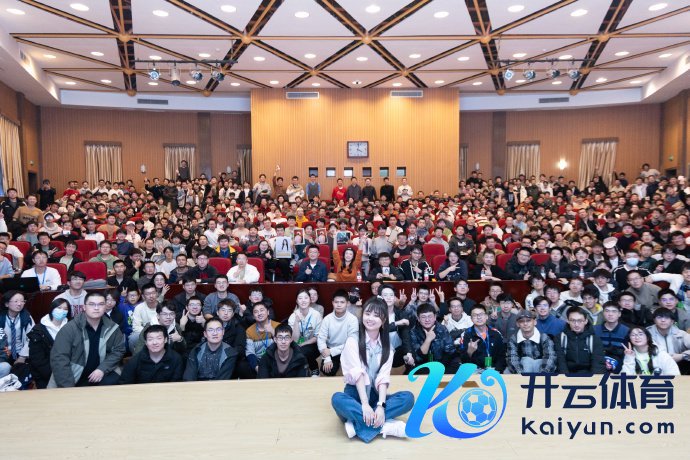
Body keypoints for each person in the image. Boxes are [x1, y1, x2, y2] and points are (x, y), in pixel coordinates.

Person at [331, 297, 415, 442]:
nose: (370, 318)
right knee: (337, 399)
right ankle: (385, 426)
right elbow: (358, 374)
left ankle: (357, 424)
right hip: (355, 396)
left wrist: (381, 406)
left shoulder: (387, 347)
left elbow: (383, 378)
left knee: (408, 398)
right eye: (367, 313)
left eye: (376, 315)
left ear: (384, 320)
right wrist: (364, 404)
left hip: (375, 396)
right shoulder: (353, 341)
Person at [49, 292, 125, 387]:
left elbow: (119, 350)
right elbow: (59, 359)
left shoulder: (112, 327)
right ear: (84, 307)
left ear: (105, 307)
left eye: (101, 304)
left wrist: (102, 369)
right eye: (92, 304)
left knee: (115, 382)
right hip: (74, 376)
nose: (96, 308)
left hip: (101, 373)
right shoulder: (69, 329)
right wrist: (68, 387)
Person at [119, 324, 184, 384]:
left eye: (159, 338)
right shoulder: (135, 360)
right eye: (150, 339)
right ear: (146, 342)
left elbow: (177, 384)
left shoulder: (176, 359)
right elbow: (125, 383)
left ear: (165, 340)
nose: (154, 342)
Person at [28, 298, 71, 388]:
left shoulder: (71, 327)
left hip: (68, 371)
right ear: (52, 309)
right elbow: (37, 358)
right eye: (59, 308)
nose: (62, 311)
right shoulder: (39, 330)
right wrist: (54, 374)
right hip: (46, 373)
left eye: (65, 309)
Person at [318, 290, 359, 377]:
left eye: (342, 302)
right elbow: (321, 339)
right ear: (332, 303)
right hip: (330, 349)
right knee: (327, 370)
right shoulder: (327, 319)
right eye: (336, 302)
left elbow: (353, 341)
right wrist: (327, 357)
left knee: (353, 372)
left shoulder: (353, 319)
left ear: (347, 303)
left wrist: (331, 351)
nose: (339, 305)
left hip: (347, 350)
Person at [554, 306, 606, 374]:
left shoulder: (594, 339)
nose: (576, 324)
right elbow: (560, 362)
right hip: (567, 375)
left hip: (588, 375)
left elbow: (598, 364)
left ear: (586, 321)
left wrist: (593, 379)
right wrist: (566, 378)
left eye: (580, 321)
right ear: (567, 321)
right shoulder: (560, 338)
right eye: (573, 320)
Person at [410, 303, 457, 373]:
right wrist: (428, 340)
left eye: (430, 316)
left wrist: (438, 367)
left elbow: (450, 351)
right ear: (418, 319)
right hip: (423, 365)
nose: (427, 320)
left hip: (442, 363)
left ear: (435, 317)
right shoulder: (413, 332)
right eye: (423, 317)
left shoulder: (442, 329)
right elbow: (418, 357)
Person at [458, 305, 506, 372]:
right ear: (471, 319)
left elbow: (502, 356)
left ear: (486, 316)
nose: (479, 317)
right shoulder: (466, 335)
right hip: (474, 371)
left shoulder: (496, 333)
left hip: (493, 370)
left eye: (481, 314)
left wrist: (497, 371)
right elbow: (463, 361)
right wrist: (469, 352)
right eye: (475, 315)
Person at [288, 289, 323, 377]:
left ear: (310, 300)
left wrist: (303, 343)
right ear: (297, 301)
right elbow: (295, 339)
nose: (303, 300)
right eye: (300, 298)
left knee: (303, 350)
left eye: (306, 298)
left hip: (313, 345)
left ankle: (314, 368)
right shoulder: (292, 317)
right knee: (297, 350)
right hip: (297, 345)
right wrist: (296, 322)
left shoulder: (316, 315)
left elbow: (317, 337)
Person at [0, 291, 35, 376]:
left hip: (21, 352)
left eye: (22, 301)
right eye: (16, 301)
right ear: (6, 304)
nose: (19, 304)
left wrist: (22, 356)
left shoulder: (26, 317)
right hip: (4, 353)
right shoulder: (1, 318)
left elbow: (32, 337)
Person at [647, 307, 690, 374]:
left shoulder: (680, 334)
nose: (663, 320)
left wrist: (682, 356)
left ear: (672, 321)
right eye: (659, 317)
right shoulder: (647, 334)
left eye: (667, 318)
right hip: (653, 366)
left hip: (678, 365)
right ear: (654, 320)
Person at [594, 302, 630, 373]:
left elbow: (626, 355)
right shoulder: (594, 330)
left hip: (620, 367)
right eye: (607, 311)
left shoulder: (626, 331)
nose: (610, 314)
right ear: (603, 313)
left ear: (619, 314)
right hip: (598, 366)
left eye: (614, 311)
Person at [245, 302, 281, 374]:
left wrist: (273, 332)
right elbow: (250, 353)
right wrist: (257, 368)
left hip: (276, 360)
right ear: (253, 316)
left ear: (268, 312)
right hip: (258, 361)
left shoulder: (278, 326)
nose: (259, 313)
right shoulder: (249, 331)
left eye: (262, 310)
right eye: (256, 312)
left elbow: (284, 345)